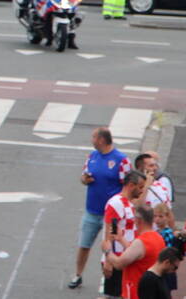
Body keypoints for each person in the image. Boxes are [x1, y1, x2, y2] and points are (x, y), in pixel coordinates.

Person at [70, 126, 133, 290]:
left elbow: (128, 185)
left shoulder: (121, 160)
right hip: (92, 211)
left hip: (112, 215)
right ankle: (78, 275)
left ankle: (110, 280)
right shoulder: (92, 156)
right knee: (84, 244)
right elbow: (83, 177)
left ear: (101, 140)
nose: (91, 140)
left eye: (93, 137)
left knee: (111, 246)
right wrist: (84, 179)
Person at [103, 171, 149, 299]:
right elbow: (109, 234)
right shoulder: (116, 204)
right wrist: (108, 261)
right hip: (117, 260)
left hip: (125, 258)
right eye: (140, 187)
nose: (142, 190)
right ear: (131, 185)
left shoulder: (129, 203)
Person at [106, 204, 166, 299]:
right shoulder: (158, 238)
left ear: (138, 220)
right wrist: (121, 239)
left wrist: (107, 251)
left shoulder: (141, 241)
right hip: (150, 291)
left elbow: (119, 264)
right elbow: (138, 254)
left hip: (135, 291)